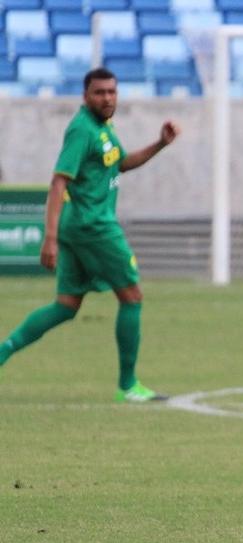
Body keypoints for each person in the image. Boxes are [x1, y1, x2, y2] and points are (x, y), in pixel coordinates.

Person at [0, 68, 179, 401]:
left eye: (112, 91)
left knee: (66, 305)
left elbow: (120, 163)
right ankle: (128, 386)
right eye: (99, 92)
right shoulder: (82, 129)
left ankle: (2, 352)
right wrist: (49, 237)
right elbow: (58, 182)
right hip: (93, 226)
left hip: (80, 226)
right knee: (132, 297)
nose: (107, 98)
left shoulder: (103, 128)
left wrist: (160, 144)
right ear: (85, 96)